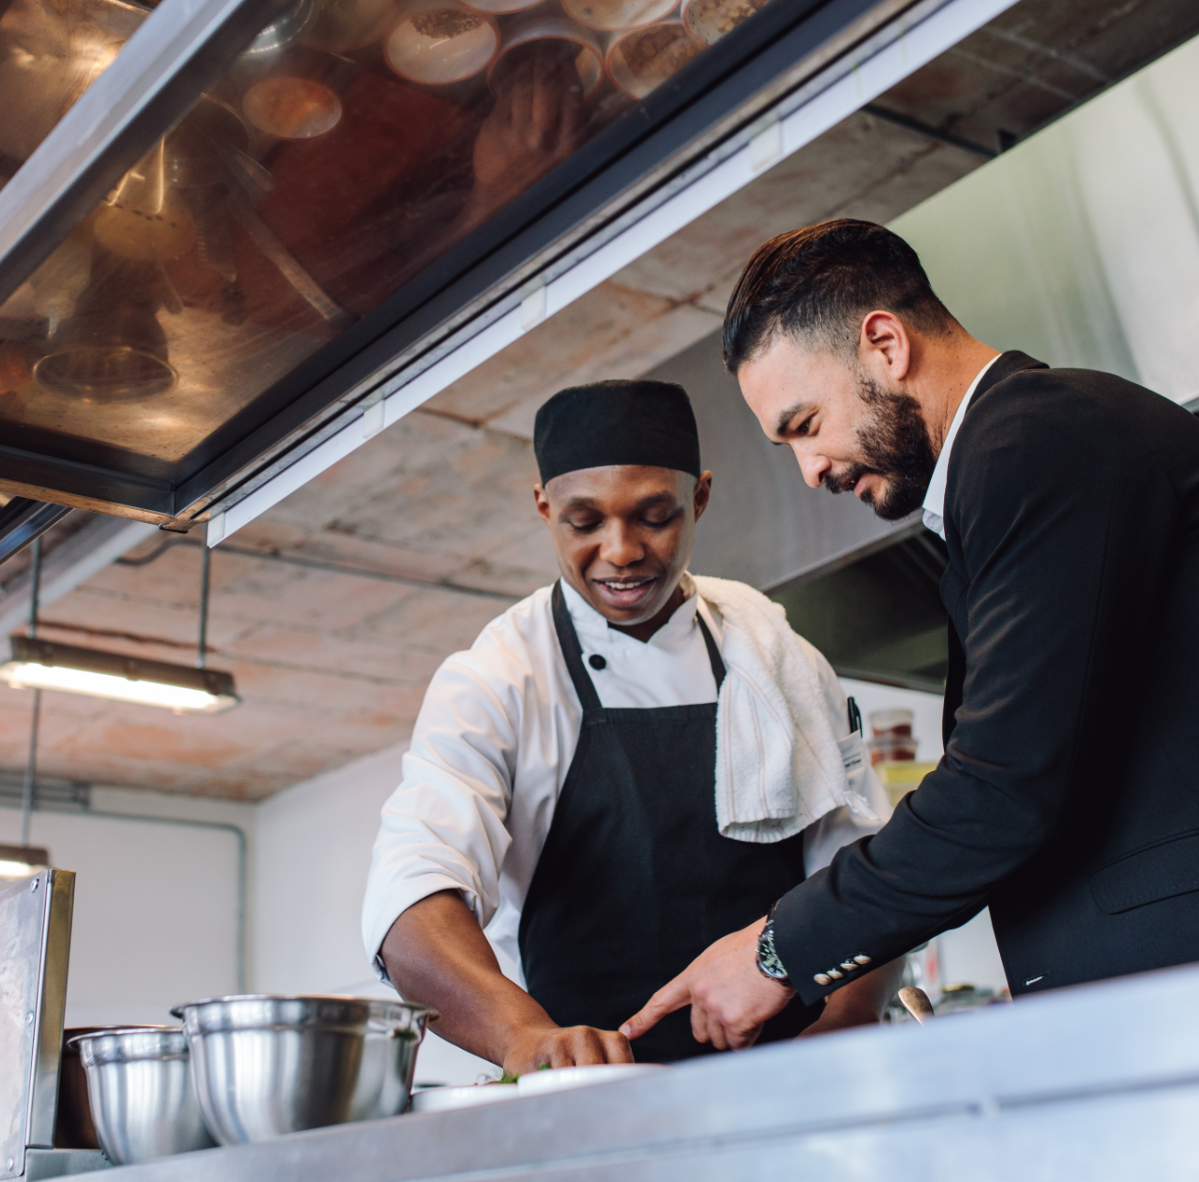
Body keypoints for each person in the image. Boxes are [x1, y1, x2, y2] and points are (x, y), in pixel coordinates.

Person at [621, 220, 1199, 1052]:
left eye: (804, 425)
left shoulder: (1039, 438)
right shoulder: (1007, 466)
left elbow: (1005, 784)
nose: (811, 472)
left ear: (883, 343)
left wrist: (776, 951)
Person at [363, 379, 900, 1070]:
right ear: (544, 506)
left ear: (699, 498)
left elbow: (863, 869)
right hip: (592, 1092)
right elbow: (410, 903)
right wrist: (522, 1038)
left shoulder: (777, 656)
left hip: (793, 1076)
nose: (620, 551)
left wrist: (850, 1018)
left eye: (654, 516)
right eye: (584, 523)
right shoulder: (497, 680)